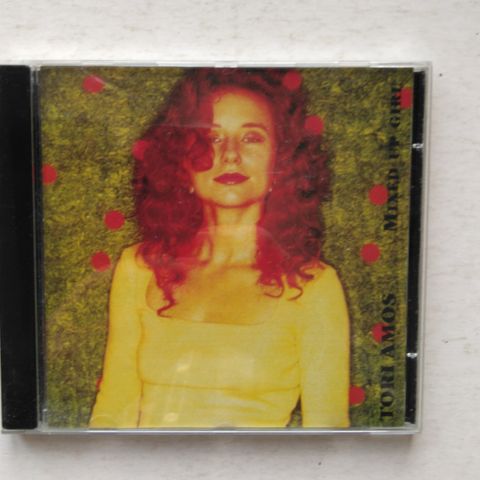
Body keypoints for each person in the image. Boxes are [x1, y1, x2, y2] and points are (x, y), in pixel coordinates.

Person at [89, 68, 350, 429]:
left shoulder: (314, 287)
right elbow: (112, 412)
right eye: (212, 138)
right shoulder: (138, 268)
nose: (230, 155)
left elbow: (328, 432)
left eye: (252, 138)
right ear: (182, 159)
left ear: (281, 161)